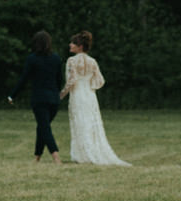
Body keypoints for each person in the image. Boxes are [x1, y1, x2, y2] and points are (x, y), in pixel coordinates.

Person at [61, 31, 128, 166]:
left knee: (80, 122)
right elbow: (100, 81)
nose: (70, 45)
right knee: (90, 123)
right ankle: (89, 152)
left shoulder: (72, 60)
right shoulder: (92, 61)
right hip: (90, 95)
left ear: (79, 46)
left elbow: (72, 80)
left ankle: (82, 154)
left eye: (73, 43)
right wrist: (89, 86)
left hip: (78, 95)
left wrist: (62, 94)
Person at [7, 30, 66, 164]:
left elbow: (23, 79)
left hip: (39, 99)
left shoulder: (32, 59)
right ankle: (37, 157)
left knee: (44, 127)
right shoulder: (56, 58)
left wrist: (12, 95)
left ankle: (56, 156)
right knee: (42, 126)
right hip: (53, 100)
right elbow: (59, 79)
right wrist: (56, 94)